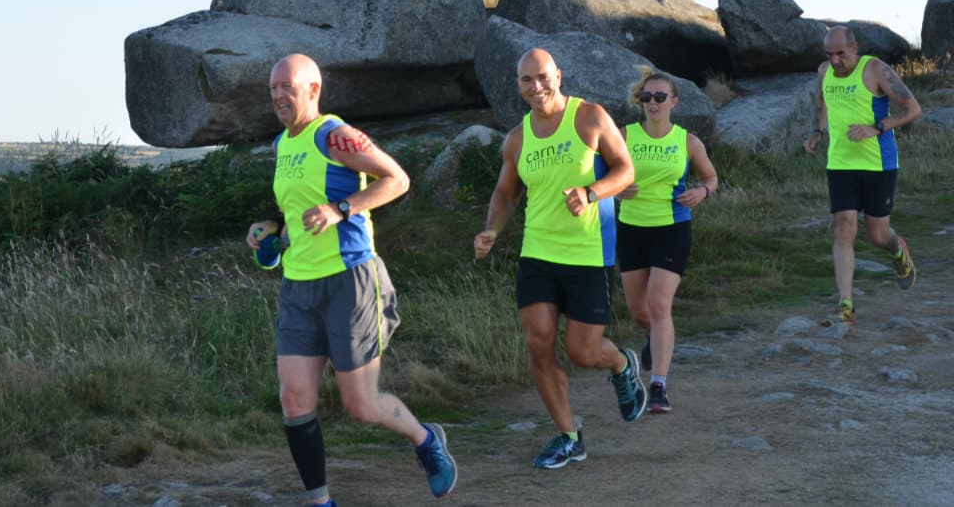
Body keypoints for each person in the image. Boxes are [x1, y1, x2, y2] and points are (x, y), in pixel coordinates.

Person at [246, 53, 457, 506]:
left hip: (350, 280)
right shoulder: (284, 143)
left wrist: (341, 210)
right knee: (294, 399)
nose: (279, 96)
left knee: (360, 404)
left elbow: (396, 179)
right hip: (298, 286)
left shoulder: (334, 135)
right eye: (273, 89)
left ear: (314, 90)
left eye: (288, 87)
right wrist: (273, 232)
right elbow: (298, 213)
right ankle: (321, 502)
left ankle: (426, 440)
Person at [474, 48, 645, 470]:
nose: (536, 87)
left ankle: (622, 365)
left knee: (583, 351)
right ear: (517, 85)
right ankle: (569, 435)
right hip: (538, 253)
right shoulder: (517, 137)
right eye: (526, 80)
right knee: (538, 342)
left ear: (558, 75)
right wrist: (492, 229)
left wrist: (590, 193)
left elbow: (625, 170)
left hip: (588, 253)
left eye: (543, 77)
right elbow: (505, 192)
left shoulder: (589, 117)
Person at [616, 68, 718, 414]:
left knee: (660, 305)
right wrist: (615, 187)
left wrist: (702, 192)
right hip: (631, 228)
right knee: (639, 310)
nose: (653, 103)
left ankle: (658, 385)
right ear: (639, 101)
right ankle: (654, 338)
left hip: (672, 227)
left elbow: (711, 177)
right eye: (647, 97)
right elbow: (598, 172)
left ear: (674, 101)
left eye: (660, 97)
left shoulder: (687, 141)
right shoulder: (623, 135)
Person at [804, 25, 920, 326]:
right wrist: (817, 132)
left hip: (878, 163)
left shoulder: (876, 70)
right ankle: (846, 306)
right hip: (840, 162)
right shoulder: (824, 71)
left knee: (877, 234)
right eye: (829, 54)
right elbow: (823, 101)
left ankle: (898, 251)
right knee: (843, 228)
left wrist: (875, 128)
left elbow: (912, 108)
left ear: (855, 47)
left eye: (841, 53)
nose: (835, 61)